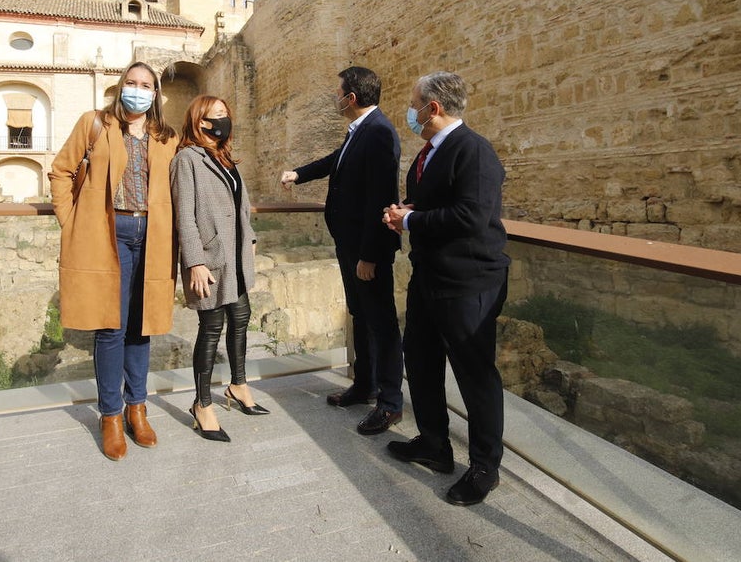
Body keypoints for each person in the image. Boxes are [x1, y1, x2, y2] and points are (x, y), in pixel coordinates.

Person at [382, 71, 510, 507]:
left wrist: (411, 220)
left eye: (414, 103)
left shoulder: (474, 151)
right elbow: (441, 205)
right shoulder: (430, 152)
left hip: (468, 283)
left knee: (475, 377)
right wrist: (408, 211)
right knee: (419, 360)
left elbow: (472, 217)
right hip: (431, 277)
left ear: (432, 108)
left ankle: (484, 467)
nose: (411, 112)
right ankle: (435, 445)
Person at [48, 61, 179, 461]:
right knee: (110, 327)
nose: (138, 90)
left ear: (156, 94)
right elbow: (60, 171)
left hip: (153, 236)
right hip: (108, 232)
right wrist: (71, 221)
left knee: (142, 327)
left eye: (146, 85)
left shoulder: (166, 137)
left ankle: (138, 408)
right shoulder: (95, 124)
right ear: (120, 86)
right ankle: (110, 414)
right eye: (131, 83)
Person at [280, 66, 403, 436]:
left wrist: (370, 255)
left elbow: (381, 200)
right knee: (360, 315)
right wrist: (298, 174)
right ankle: (364, 385)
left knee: (381, 323)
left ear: (350, 98)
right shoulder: (360, 132)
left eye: (338, 92)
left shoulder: (379, 133)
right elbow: (335, 161)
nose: (335, 97)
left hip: (367, 250)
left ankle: (390, 403)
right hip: (350, 245)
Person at [171, 95, 266, 443]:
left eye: (226, 113)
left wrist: (251, 238)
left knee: (241, 316)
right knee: (211, 327)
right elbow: (185, 215)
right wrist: (195, 261)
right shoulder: (187, 159)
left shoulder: (226, 158)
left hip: (237, 255)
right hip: (210, 257)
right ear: (199, 121)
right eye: (216, 115)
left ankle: (238, 385)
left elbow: (242, 207)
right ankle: (202, 403)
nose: (222, 120)